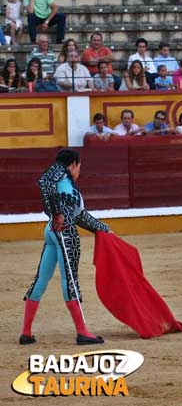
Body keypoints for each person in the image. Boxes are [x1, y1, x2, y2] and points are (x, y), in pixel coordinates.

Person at [20, 148, 108, 346]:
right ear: (74, 164)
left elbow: (81, 217)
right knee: (70, 280)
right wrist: (58, 213)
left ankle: (26, 332)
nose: (79, 172)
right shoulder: (60, 171)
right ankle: (82, 332)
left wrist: (104, 230)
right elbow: (44, 182)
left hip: (52, 230)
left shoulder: (69, 188)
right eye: (79, 167)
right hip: (64, 230)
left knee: (42, 278)